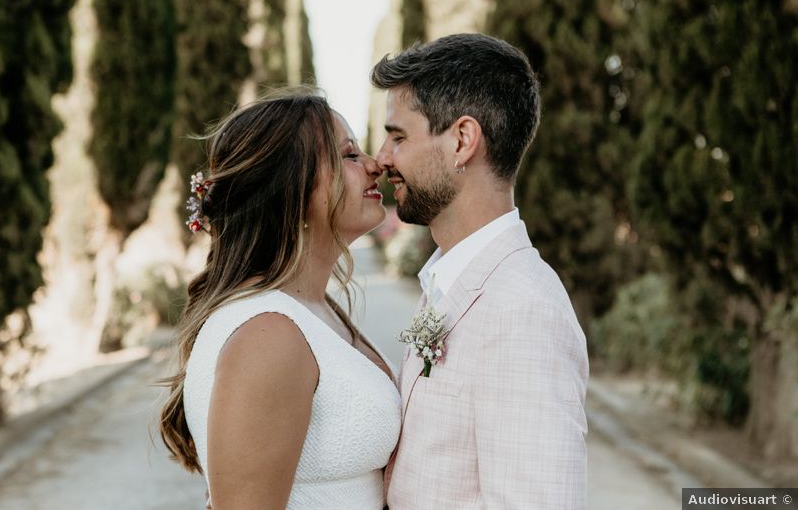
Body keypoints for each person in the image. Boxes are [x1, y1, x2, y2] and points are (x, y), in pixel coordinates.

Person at [372, 33, 589, 509]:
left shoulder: (523, 312)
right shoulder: (453, 282)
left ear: (462, 141)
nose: (382, 157)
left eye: (399, 136)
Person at [158, 90, 401, 510]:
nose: (374, 165)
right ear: (293, 187)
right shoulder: (266, 336)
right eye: (348, 155)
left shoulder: (309, 311)